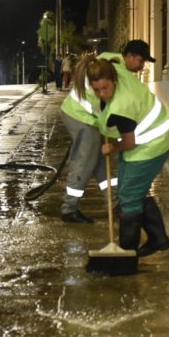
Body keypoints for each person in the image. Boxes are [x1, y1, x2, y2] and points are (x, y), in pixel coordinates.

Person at [87, 40, 169, 258]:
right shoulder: (114, 65)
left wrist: (112, 147)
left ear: (113, 80)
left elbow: (129, 143)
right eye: (97, 90)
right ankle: (159, 239)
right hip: (146, 140)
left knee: (130, 198)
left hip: (151, 144)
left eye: (105, 88)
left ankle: (128, 251)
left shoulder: (121, 108)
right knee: (128, 190)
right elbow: (105, 57)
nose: (102, 94)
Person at [59, 48, 113, 223]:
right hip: (80, 118)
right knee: (85, 162)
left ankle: (115, 203)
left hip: (85, 117)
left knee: (100, 161)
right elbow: (105, 118)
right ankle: (69, 209)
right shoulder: (98, 88)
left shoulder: (100, 74)